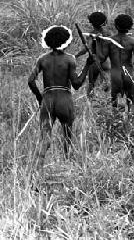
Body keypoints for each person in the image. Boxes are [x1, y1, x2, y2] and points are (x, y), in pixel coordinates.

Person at [28, 25, 93, 169]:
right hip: (64, 99)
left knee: (45, 138)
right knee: (67, 136)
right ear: (66, 41)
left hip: (48, 99)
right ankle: (66, 165)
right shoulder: (70, 59)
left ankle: (37, 168)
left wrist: (40, 98)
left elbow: (30, 81)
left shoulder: (42, 59)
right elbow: (76, 84)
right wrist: (88, 66)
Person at [100, 14, 134, 111]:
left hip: (115, 75)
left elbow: (102, 59)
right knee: (131, 102)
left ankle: (116, 122)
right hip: (129, 73)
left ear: (116, 26)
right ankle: (130, 122)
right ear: (130, 27)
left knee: (115, 104)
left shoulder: (109, 41)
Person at [75, 12, 111, 97]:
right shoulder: (108, 33)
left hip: (95, 62)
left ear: (91, 22)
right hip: (106, 62)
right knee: (106, 84)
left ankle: (91, 104)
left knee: (91, 85)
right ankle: (106, 103)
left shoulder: (91, 34)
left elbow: (87, 48)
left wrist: (76, 55)